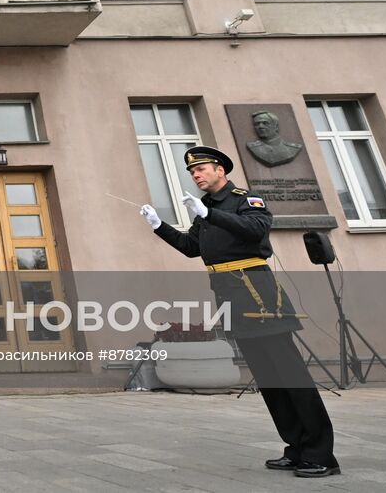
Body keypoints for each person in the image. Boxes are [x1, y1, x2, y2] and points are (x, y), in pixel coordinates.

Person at [141, 146, 339, 479]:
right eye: (192, 172)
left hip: (258, 292)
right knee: (268, 379)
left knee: (290, 376)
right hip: (230, 296)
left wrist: (209, 215)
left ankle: (322, 454)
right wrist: (160, 226)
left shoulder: (246, 199)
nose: (196, 175)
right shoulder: (206, 209)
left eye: (201, 169)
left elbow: (255, 230)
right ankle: (296, 448)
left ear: (220, 170)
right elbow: (194, 249)